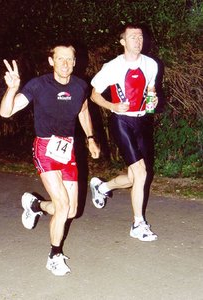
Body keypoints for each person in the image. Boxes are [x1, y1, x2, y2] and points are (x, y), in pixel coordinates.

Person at [0, 42, 100, 276]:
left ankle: (36, 205)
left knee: (71, 210)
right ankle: (54, 255)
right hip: (45, 147)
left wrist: (91, 138)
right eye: (60, 59)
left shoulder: (80, 86)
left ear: (75, 62)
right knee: (63, 206)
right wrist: (12, 88)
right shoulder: (38, 85)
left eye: (69, 59)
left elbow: (83, 111)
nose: (65, 64)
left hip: (68, 148)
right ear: (51, 61)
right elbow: (6, 112)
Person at [90, 24, 158, 242]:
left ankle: (103, 187)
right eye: (132, 37)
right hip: (121, 121)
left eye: (140, 37)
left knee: (134, 177)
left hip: (142, 122)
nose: (138, 40)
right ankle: (138, 224)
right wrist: (112, 106)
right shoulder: (112, 67)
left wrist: (153, 100)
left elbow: (150, 91)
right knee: (141, 172)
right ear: (123, 42)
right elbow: (94, 95)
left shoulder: (151, 65)